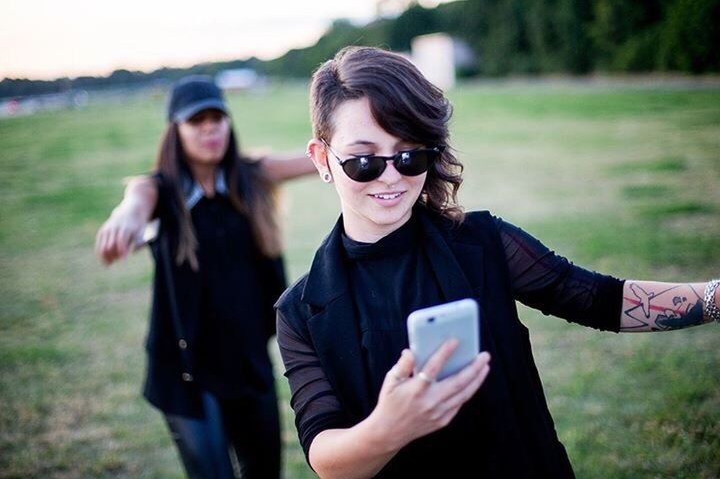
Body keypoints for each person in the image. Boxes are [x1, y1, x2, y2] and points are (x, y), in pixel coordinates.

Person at [274, 46, 720, 478]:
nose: (391, 176)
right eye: (365, 161)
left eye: (411, 156)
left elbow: (602, 299)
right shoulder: (302, 309)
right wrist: (388, 428)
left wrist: (716, 298)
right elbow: (325, 455)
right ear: (322, 159)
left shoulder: (483, 243)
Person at [95, 75, 315, 479]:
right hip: (186, 370)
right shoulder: (162, 190)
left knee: (264, 470)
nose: (210, 128)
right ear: (176, 130)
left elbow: (320, 160)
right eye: (197, 121)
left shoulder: (250, 176)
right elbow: (135, 201)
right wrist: (123, 220)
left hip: (247, 361)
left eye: (218, 117)